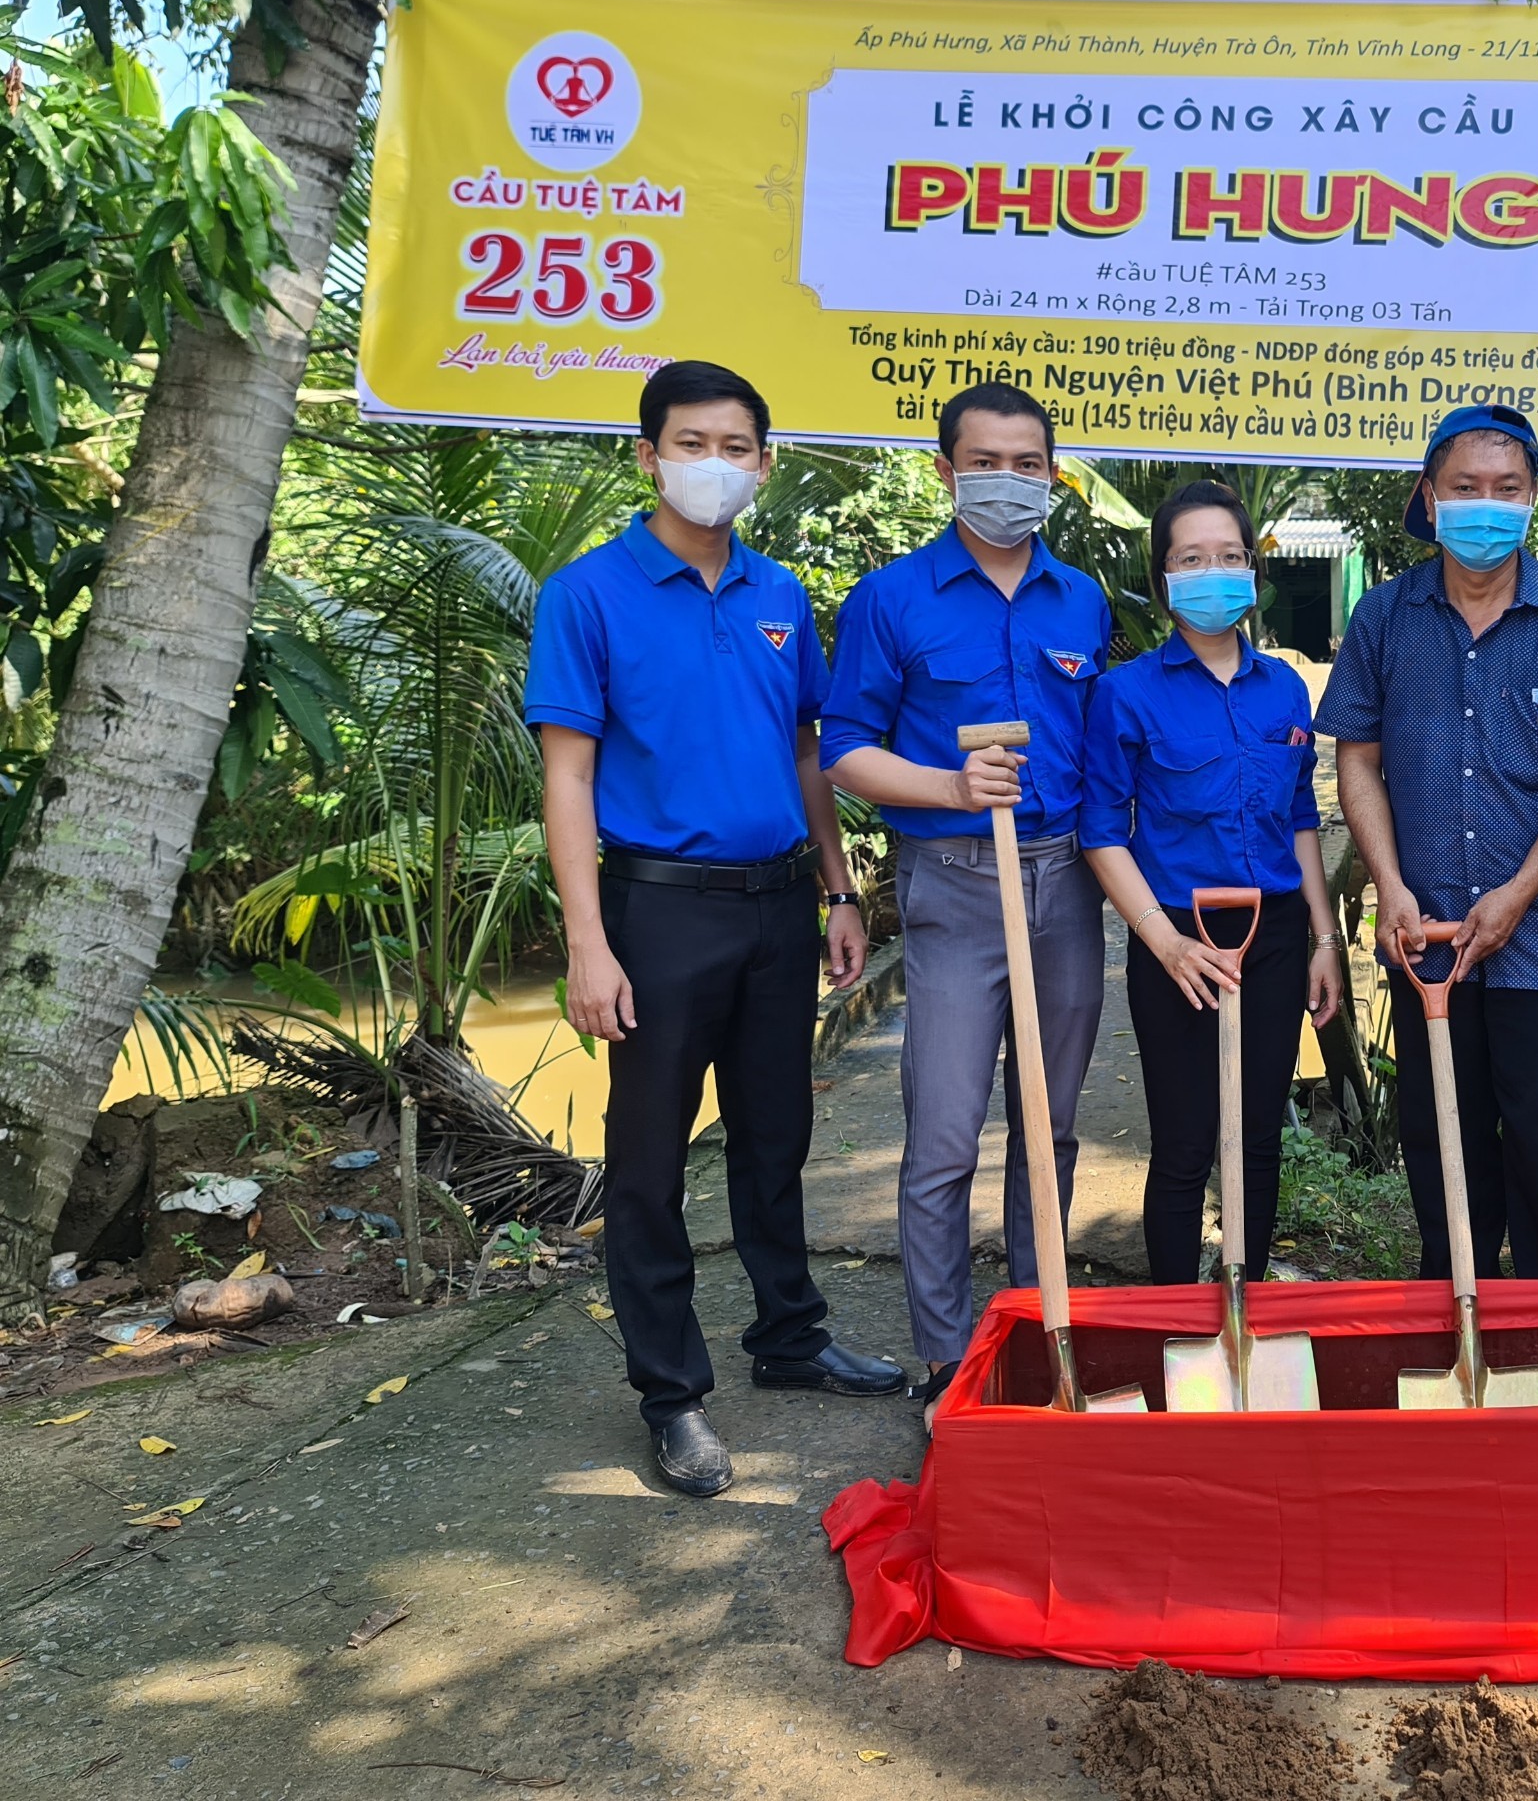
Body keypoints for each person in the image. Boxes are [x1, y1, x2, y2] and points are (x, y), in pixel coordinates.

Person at [528, 359, 904, 1500]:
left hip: (778, 903)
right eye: (692, 443)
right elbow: (568, 776)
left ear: (764, 464)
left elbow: (808, 750)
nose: (715, 464)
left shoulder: (778, 592)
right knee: (648, 1160)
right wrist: (588, 943)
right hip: (657, 908)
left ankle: (790, 1336)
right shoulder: (588, 594)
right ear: (649, 456)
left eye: (736, 447)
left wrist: (838, 891)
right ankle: (671, 1395)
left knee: (775, 1133)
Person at [821, 382, 1111, 1424]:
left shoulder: (1081, 601)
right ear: (946, 472)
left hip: (1066, 884)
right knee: (944, 1136)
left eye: (1026, 464)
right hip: (952, 884)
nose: (1006, 481)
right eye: (984, 463)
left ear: (1052, 477)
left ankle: (1037, 1332)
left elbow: (1102, 742)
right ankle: (949, 1360)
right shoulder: (890, 600)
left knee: (1051, 1128)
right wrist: (949, 786)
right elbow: (843, 747)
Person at [1314, 404, 1538, 1281]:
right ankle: (1458, 1328)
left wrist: (1518, 893)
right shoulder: (1385, 618)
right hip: (1427, 940)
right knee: (1444, 1163)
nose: (1486, 505)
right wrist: (1389, 885)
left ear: (1534, 498)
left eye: (1508, 488)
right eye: (1466, 487)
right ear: (1430, 498)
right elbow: (1357, 759)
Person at [1080, 483, 1346, 1283]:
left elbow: (1300, 816)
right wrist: (1164, 945)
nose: (1214, 573)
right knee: (1185, 1142)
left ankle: (1245, 1311)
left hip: (1275, 935)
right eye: (1192, 559)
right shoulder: (1125, 692)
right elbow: (1101, 831)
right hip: (1178, 941)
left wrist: (1323, 940)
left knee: (1258, 1136)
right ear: (1163, 579)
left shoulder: (1285, 689)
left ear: (1253, 570)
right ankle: (1174, 1319)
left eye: (1230, 556)